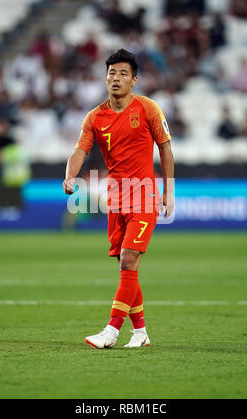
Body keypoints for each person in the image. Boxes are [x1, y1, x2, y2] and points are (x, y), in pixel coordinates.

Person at [63, 49, 174, 349]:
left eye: (123, 73)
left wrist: (169, 190)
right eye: (112, 72)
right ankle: (141, 332)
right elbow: (80, 150)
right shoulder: (95, 117)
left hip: (145, 196)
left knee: (128, 260)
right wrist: (70, 175)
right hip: (116, 198)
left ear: (134, 80)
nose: (116, 78)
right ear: (105, 77)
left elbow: (165, 147)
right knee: (127, 267)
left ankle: (111, 331)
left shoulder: (148, 109)